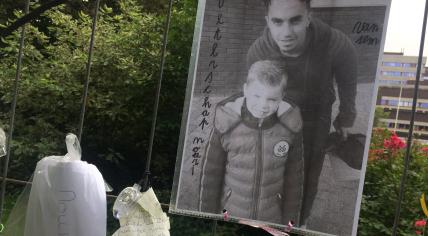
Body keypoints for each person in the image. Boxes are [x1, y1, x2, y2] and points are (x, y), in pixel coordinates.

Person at [246, 0, 358, 224]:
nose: (286, 32)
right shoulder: (259, 51)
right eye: (277, 22)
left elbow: (348, 80)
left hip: (317, 114)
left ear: (308, 17)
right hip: (278, 113)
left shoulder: (335, 43)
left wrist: (346, 117)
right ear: (268, 21)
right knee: (272, 165)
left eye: (295, 20)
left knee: (308, 173)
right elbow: (254, 94)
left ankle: (299, 221)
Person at [199, 60, 304, 225]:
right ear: (246, 90)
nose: (263, 105)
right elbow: (211, 175)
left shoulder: (290, 129)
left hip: (270, 218)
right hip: (231, 215)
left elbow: (294, 180)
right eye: (257, 96)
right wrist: (206, 216)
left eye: (272, 99)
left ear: (282, 97)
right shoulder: (226, 125)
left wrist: (290, 221)